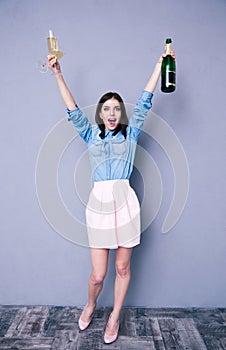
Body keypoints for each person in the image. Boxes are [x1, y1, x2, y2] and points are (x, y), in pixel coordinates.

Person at [48, 49, 175, 344]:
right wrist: (58, 74)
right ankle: (91, 303)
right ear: (101, 114)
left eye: (117, 109)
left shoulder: (131, 135)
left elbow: (145, 101)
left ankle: (115, 316)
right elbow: (72, 109)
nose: (112, 114)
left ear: (121, 114)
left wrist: (158, 66)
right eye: (107, 109)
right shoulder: (91, 135)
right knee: (98, 275)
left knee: (122, 267)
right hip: (100, 204)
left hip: (126, 203)